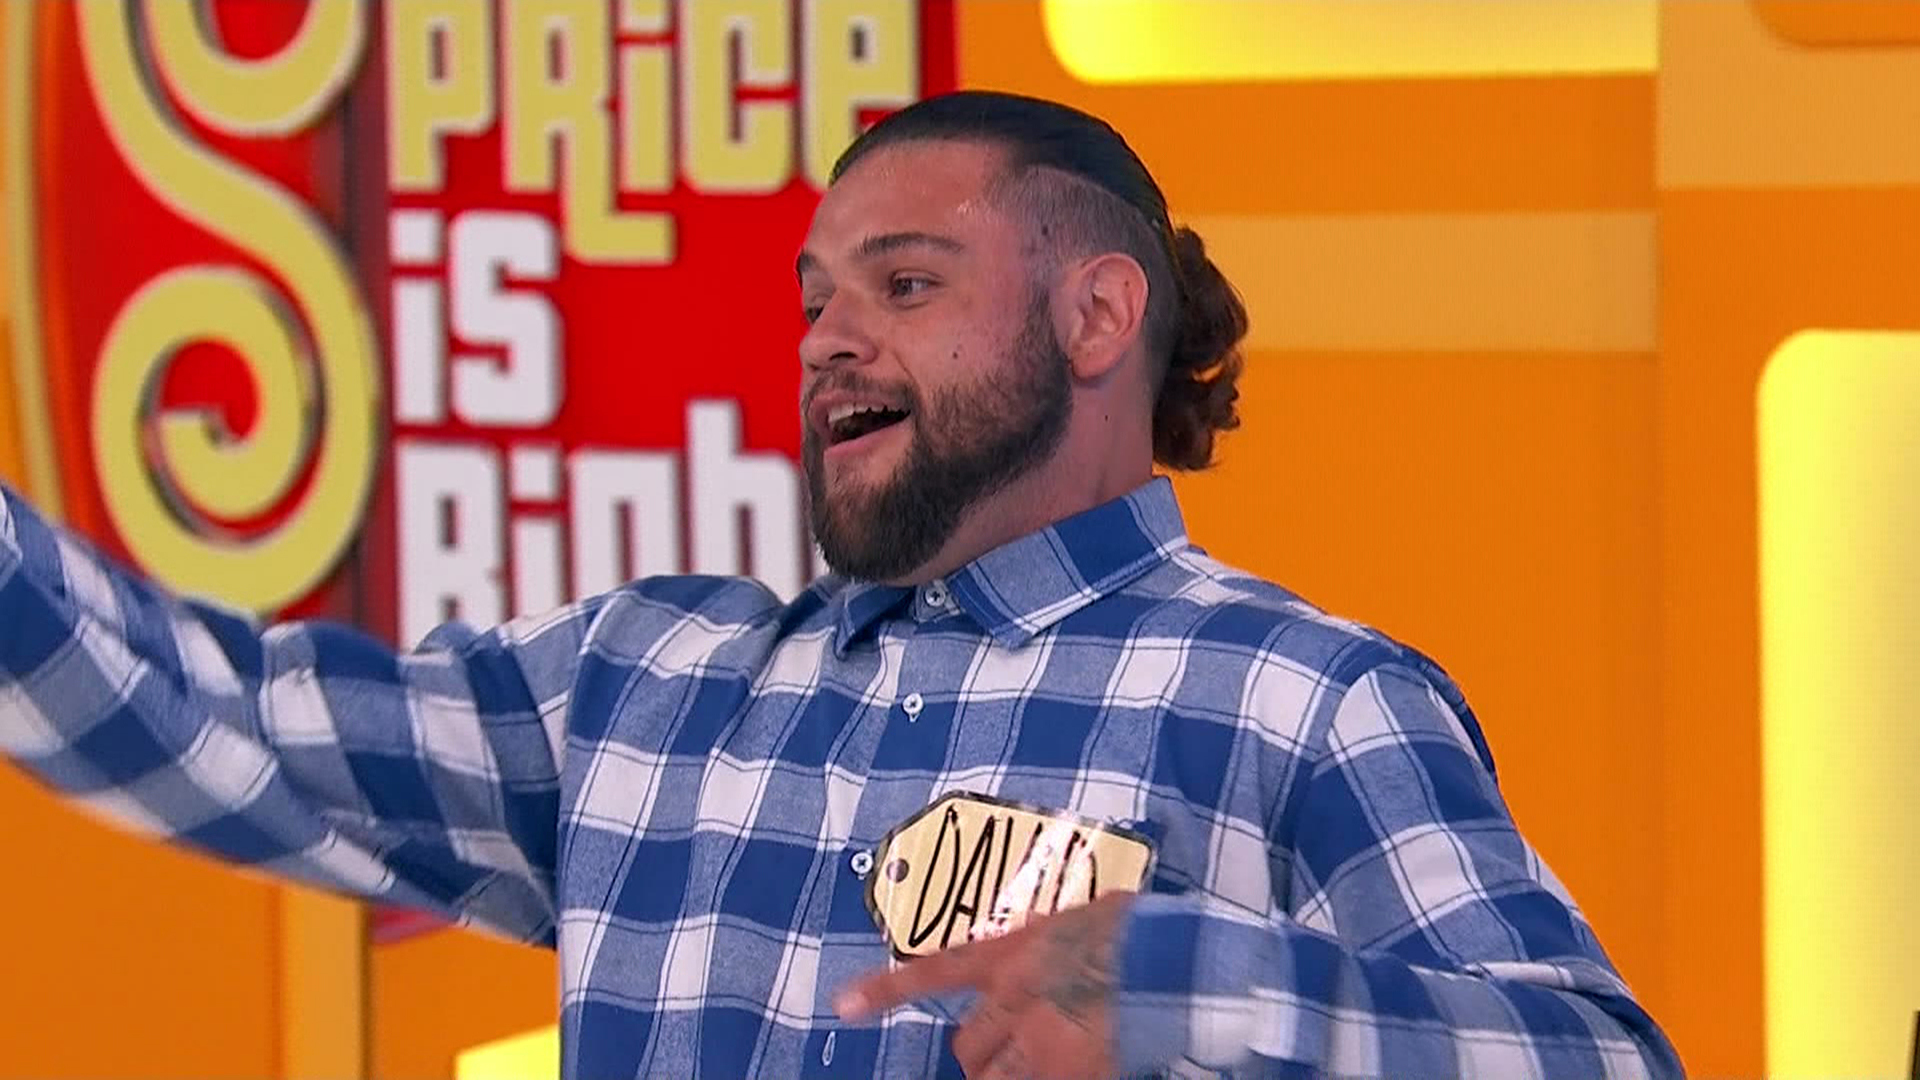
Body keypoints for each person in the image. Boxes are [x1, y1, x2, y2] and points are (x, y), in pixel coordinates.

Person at [0, 90, 1681, 1079]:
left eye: (907, 283)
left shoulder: (1299, 699)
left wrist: (1205, 992)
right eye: (814, 300)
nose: (827, 342)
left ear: (1097, 317)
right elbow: (215, 721)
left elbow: (1597, 1061)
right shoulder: (643, 680)